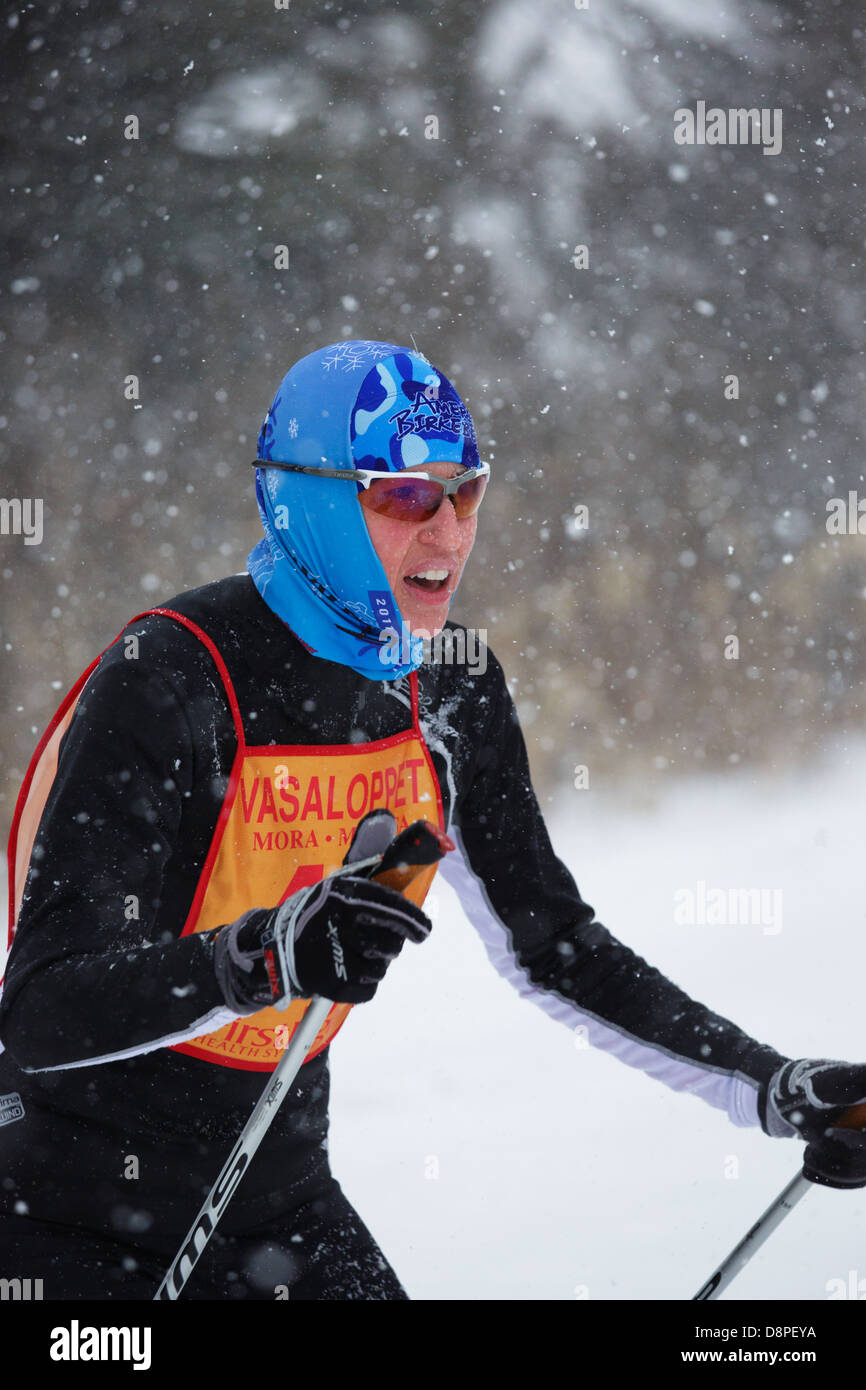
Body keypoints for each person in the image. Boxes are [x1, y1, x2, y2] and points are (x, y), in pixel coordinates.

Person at [1, 338, 865, 1302]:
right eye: (404, 497)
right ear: (312, 502)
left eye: (466, 493)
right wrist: (262, 957)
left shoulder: (450, 684)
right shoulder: (173, 677)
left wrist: (769, 1086)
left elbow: (556, 946)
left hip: (279, 1203)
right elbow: (41, 1010)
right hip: (69, 1217)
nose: (448, 535)